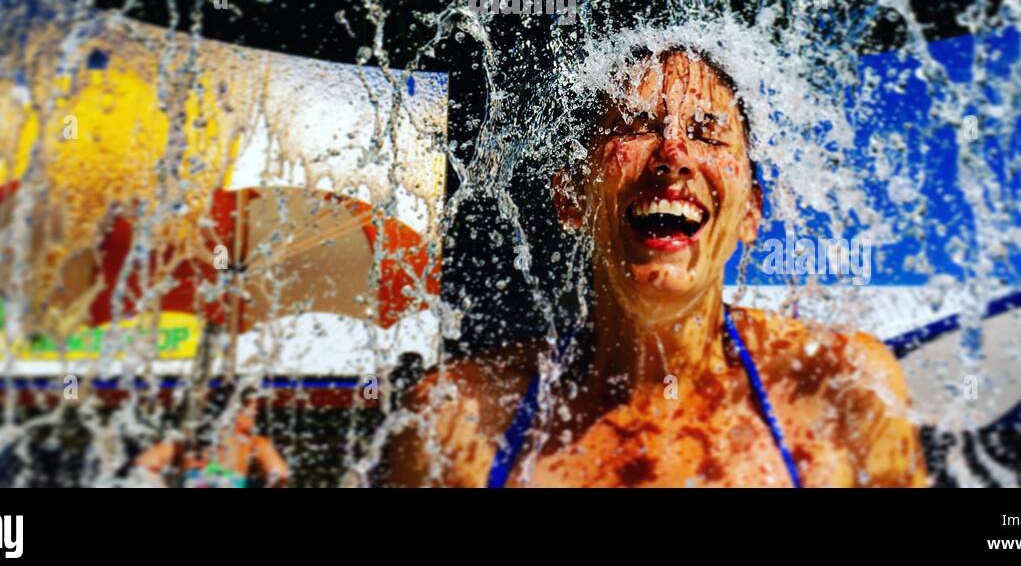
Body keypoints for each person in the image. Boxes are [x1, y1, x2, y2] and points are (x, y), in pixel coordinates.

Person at [388, 46, 927, 487]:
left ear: (752, 212)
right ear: (572, 196)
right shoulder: (458, 419)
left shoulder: (842, 390)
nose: (674, 154)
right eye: (637, 125)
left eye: (708, 133)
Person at [135, 384, 290, 488]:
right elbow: (279, 474)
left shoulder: (188, 443)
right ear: (236, 412)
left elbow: (143, 465)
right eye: (253, 408)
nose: (256, 414)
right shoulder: (253, 444)